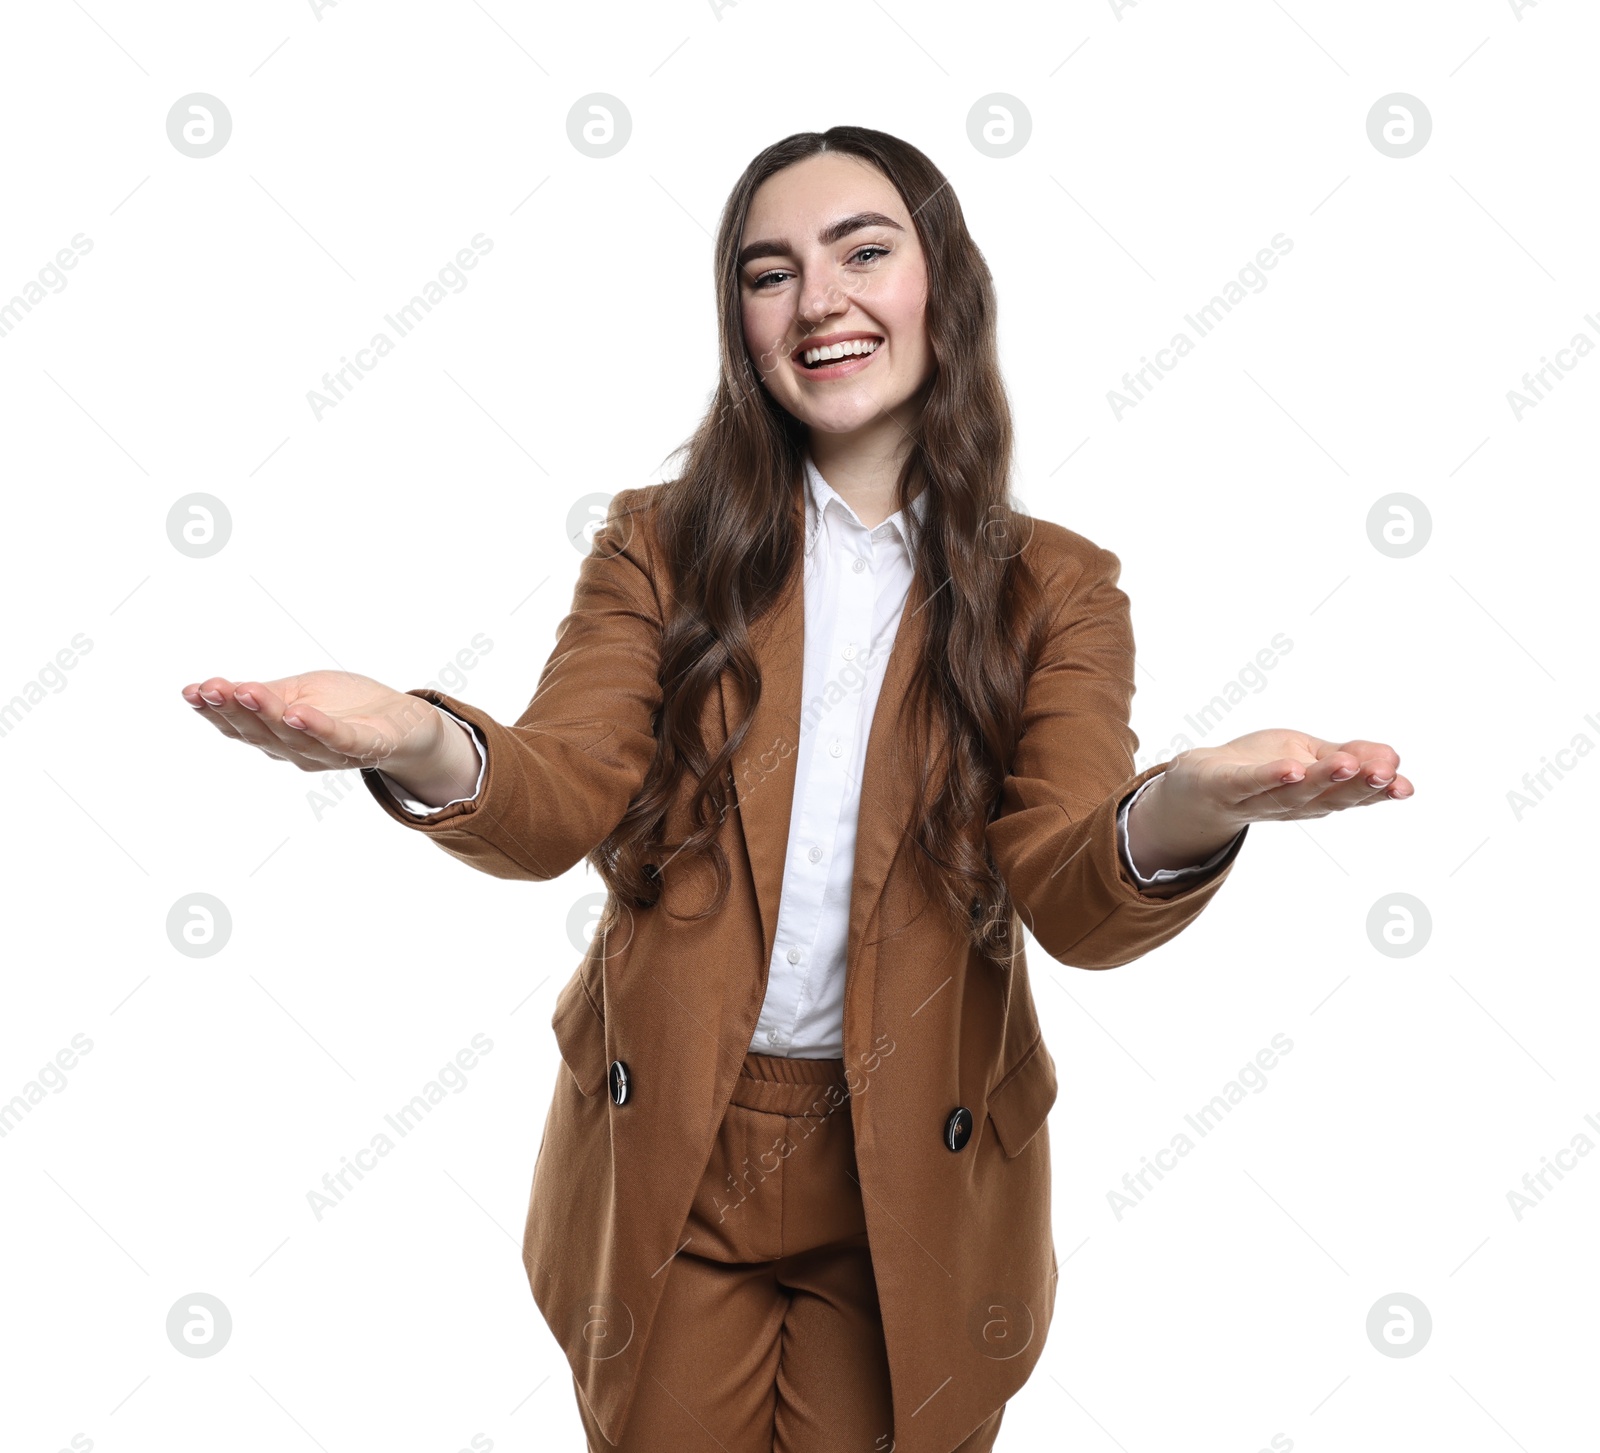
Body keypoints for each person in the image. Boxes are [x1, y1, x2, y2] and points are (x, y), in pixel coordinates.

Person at [181, 126, 1411, 1453]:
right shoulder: (658, 545)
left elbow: (1070, 882)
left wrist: (1199, 800)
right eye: (770, 273)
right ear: (742, 322)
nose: (817, 298)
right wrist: (416, 735)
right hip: (674, 1147)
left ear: (943, 280)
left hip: (920, 1154)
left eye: (862, 252)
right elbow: (560, 790)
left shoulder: (1056, 586)